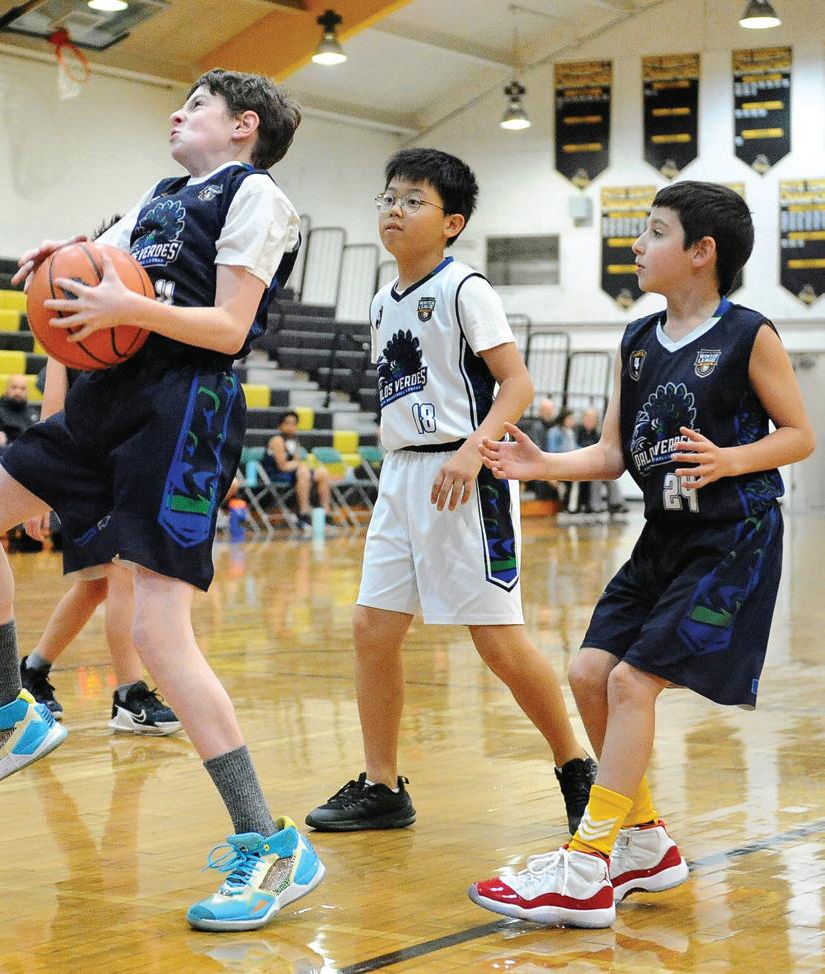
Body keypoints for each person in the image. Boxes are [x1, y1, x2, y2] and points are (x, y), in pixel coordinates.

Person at [0, 69, 324, 931]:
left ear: (244, 125)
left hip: (186, 404)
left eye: (198, 105)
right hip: (108, 399)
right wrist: (59, 267)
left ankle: (272, 844)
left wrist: (123, 306)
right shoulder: (157, 196)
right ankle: (11, 709)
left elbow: (228, 327)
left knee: (157, 635)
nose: (178, 113)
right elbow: (96, 274)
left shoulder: (257, 197)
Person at [469, 181, 814, 928]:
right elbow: (612, 453)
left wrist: (730, 459)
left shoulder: (748, 334)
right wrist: (544, 465)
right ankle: (647, 842)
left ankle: (587, 864)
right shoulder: (635, 340)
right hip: (664, 536)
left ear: (701, 252)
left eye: (655, 231)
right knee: (589, 674)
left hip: (733, 536)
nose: (636, 244)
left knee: (632, 683)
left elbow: (799, 436)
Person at [306, 148, 595, 838]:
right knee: (373, 629)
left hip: (465, 476)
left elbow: (517, 384)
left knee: (496, 640)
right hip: (403, 474)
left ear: (452, 222)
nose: (394, 210)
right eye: (388, 197)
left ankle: (577, 767)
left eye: (413, 200)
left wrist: (473, 448)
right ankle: (382, 785)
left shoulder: (467, 289)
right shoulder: (381, 301)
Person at [19, 358, 181, 734]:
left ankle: (33, 670)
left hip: (136, 463)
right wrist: (40, 491)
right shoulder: (65, 339)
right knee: (122, 573)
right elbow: (52, 412)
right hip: (91, 469)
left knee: (93, 587)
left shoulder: (145, 331)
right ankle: (129, 696)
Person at [259, 409, 331, 528]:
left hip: (292, 473)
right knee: (303, 471)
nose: (290, 427)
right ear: (280, 425)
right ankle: (303, 513)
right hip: (275, 474)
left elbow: (296, 462)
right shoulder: (277, 440)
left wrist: (300, 464)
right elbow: (282, 466)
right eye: (287, 423)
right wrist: (300, 465)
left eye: (293, 424)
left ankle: (325, 514)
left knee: (323, 473)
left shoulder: (294, 441)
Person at [0, 373, 37, 443]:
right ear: (6, 390)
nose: (18, 392)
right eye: (14, 387)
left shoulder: (33, 413)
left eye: (22, 389)